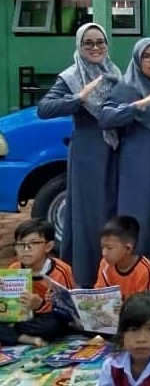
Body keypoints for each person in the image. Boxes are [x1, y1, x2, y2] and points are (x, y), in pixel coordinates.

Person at [37, 22, 122, 286]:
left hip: (114, 150)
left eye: (100, 42)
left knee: (111, 211)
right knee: (91, 214)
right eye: (89, 43)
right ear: (79, 46)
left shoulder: (113, 72)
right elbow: (44, 108)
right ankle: (87, 276)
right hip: (88, 154)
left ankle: (112, 274)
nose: (95, 48)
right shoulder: (72, 76)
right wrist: (78, 99)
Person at [98, 37, 150, 281]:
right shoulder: (128, 88)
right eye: (147, 57)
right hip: (137, 162)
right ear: (137, 60)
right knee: (137, 215)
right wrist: (135, 107)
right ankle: (132, 275)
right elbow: (105, 118)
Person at [0, 219, 74, 347]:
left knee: (52, 327)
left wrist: (40, 305)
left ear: (48, 246)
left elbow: (68, 309)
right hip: (20, 317)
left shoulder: (61, 270)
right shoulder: (14, 269)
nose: (25, 249)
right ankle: (25, 338)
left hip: (46, 319)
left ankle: (14, 335)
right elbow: (7, 307)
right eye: (20, 244)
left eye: (33, 243)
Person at [95, 215, 150, 298]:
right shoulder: (105, 264)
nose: (104, 253)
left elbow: (145, 303)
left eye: (109, 248)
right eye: (102, 247)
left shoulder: (145, 270)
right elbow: (99, 293)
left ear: (128, 248)